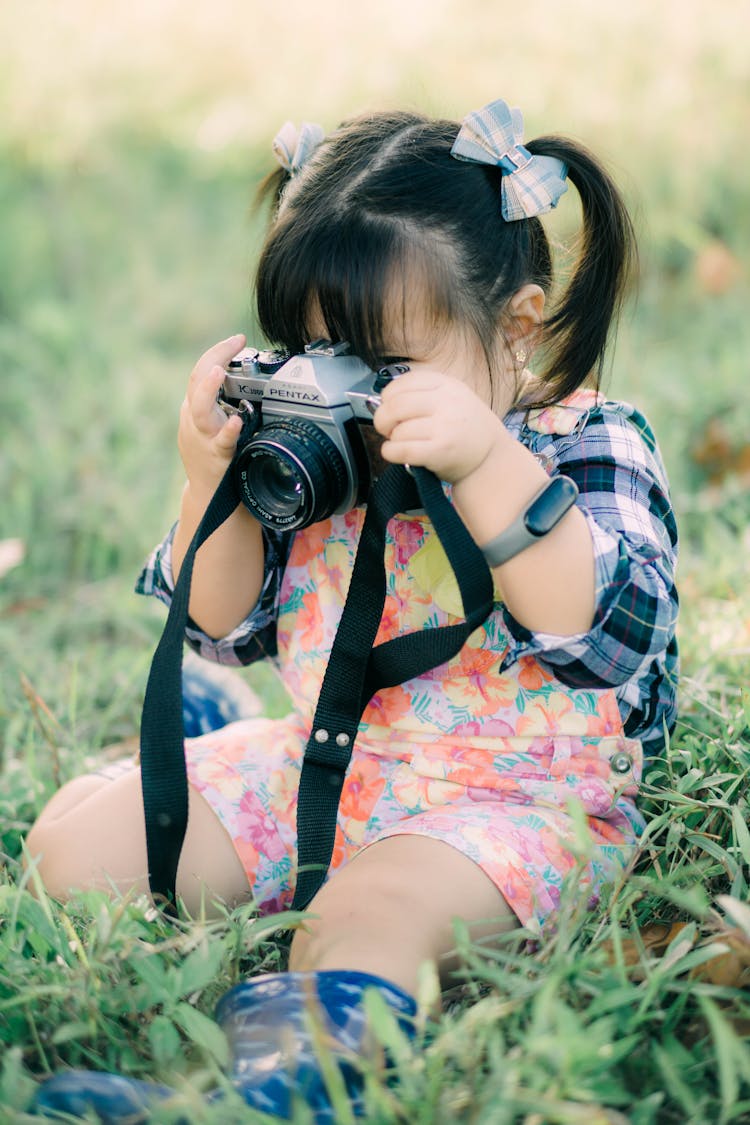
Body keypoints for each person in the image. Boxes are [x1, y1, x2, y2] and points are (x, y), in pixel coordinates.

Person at [27, 98, 678, 1121]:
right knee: (74, 849)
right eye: (312, 354)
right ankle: (220, 740)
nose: (346, 395)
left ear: (517, 328)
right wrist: (213, 482)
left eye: (384, 367)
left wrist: (485, 464)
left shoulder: (580, 441)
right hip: (332, 765)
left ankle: (264, 1100)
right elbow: (221, 625)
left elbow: (603, 635)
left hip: (518, 807)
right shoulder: (332, 448)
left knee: (356, 917)